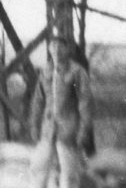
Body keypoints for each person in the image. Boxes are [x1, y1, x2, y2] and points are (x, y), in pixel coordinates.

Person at [29, 27, 93, 188]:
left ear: (67, 49)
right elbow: (38, 101)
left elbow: (85, 103)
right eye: (53, 46)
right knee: (39, 169)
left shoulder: (77, 72)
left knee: (69, 175)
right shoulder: (46, 72)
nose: (56, 50)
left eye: (60, 46)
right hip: (48, 130)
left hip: (69, 130)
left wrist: (83, 131)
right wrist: (34, 125)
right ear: (49, 50)